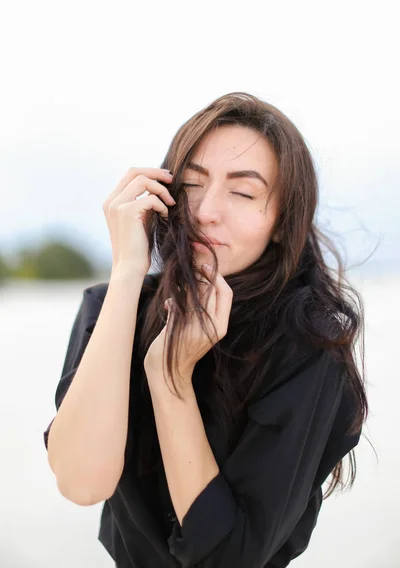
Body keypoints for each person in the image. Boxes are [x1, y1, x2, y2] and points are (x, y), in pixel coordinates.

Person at [43, 92, 368, 568]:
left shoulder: (308, 344)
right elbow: (81, 483)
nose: (205, 211)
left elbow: (229, 559)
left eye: (243, 192)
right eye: (192, 185)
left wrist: (171, 377)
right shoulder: (110, 307)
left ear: (281, 221)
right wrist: (129, 272)